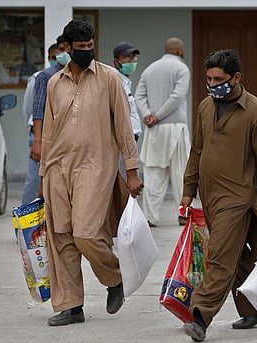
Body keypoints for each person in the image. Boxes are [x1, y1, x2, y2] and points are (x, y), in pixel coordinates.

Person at [39, 20, 144, 327]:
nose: (86, 51)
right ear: (66, 48)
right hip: (58, 168)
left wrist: (132, 171)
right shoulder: (54, 82)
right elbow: (47, 131)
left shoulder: (109, 78)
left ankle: (115, 279)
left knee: (85, 233)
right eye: (80, 47)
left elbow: (125, 129)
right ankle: (71, 306)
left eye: (90, 46)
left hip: (96, 165)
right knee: (61, 238)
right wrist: (44, 174)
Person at [179, 49, 257, 342]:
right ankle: (253, 309)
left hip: (238, 198)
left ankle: (200, 316)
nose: (213, 85)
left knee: (220, 257)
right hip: (209, 196)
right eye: (209, 79)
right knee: (236, 256)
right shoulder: (205, 106)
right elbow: (197, 151)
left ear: (236, 77)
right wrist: (188, 191)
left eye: (219, 79)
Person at [135, 37, 191, 227]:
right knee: (181, 172)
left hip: (154, 130)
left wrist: (148, 115)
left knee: (153, 173)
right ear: (180, 51)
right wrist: (157, 116)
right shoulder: (181, 68)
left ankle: (151, 217)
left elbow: (139, 96)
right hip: (175, 126)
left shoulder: (150, 69)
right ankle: (183, 214)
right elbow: (177, 97)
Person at [21, 36, 70, 205]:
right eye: (61, 50)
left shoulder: (81, 76)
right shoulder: (43, 76)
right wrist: (38, 139)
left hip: (66, 138)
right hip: (43, 137)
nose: (64, 54)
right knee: (35, 182)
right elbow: (33, 110)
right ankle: (28, 224)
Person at [112, 41, 142, 180]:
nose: (132, 61)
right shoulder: (116, 81)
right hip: (123, 143)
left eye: (133, 57)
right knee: (125, 183)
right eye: (127, 58)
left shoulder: (125, 82)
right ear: (116, 61)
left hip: (131, 141)